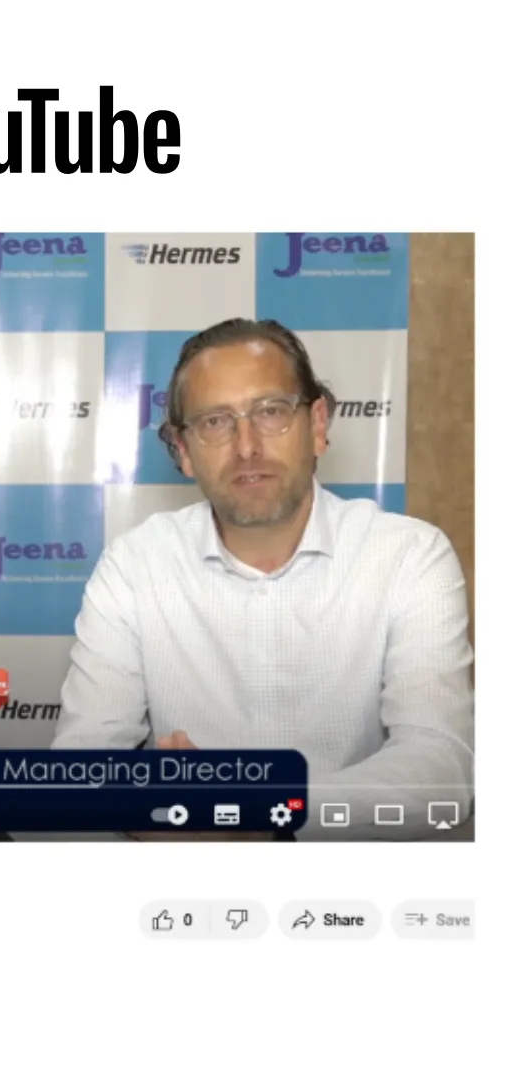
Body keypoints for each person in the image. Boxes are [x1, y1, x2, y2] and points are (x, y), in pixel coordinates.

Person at [53, 318, 474, 840]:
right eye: (215, 422)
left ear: (316, 425)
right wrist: (151, 808)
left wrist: (256, 807)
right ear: (183, 450)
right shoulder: (133, 567)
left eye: (271, 411)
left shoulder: (409, 556)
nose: (246, 446)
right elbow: (81, 766)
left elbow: (441, 771)